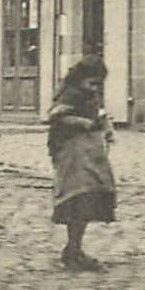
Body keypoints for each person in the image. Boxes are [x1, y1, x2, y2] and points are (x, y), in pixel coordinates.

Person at [45, 57, 116, 271]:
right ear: (81, 79)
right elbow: (56, 116)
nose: (95, 88)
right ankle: (74, 249)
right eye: (91, 83)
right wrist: (85, 123)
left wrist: (106, 127)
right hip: (72, 152)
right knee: (78, 195)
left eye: (98, 84)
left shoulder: (89, 94)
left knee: (88, 196)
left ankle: (74, 247)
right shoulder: (71, 93)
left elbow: (99, 113)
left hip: (88, 152)